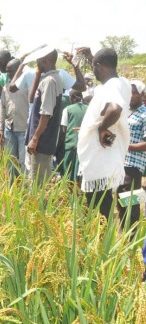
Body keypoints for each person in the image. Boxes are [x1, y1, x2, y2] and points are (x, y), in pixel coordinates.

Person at [76, 47, 131, 219]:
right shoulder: (123, 83)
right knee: (104, 202)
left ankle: (100, 242)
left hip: (99, 157)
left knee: (98, 207)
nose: (93, 71)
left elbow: (115, 108)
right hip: (108, 156)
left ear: (99, 66)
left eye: (94, 66)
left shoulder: (111, 86)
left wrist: (101, 128)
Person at [26, 48, 63, 185]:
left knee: (37, 184)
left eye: (38, 59)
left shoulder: (49, 81)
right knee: (38, 180)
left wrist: (35, 138)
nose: (36, 62)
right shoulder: (51, 78)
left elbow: (46, 113)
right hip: (42, 141)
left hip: (42, 142)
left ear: (45, 60)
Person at [118, 80, 146, 229]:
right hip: (121, 164)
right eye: (129, 92)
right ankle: (125, 237)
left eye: (134, 92)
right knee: (121, 202)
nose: (131, 95)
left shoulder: (144, 114)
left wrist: (127, 147)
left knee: (130, 203)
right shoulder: (127, 113)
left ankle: (132, 239)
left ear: (142, 95)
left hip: (133, 166)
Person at [0, 58, 29, 180]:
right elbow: (2, 108)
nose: (8, 74)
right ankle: (11, 188)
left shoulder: (27, 86)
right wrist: (0, 128)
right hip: (9, 129)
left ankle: (26, 191)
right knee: (10, 161)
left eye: (10, 71)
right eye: (7, 71)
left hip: (24, 130)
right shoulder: (6, 87)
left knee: (23, 162)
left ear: (19, 71)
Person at [59, 90, 87, 182]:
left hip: (71, 144)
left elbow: (64, 129)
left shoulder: (67, 109)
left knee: (69, 172)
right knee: (80, 173)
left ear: (73, 98)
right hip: (84, 145)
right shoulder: (89, 108)